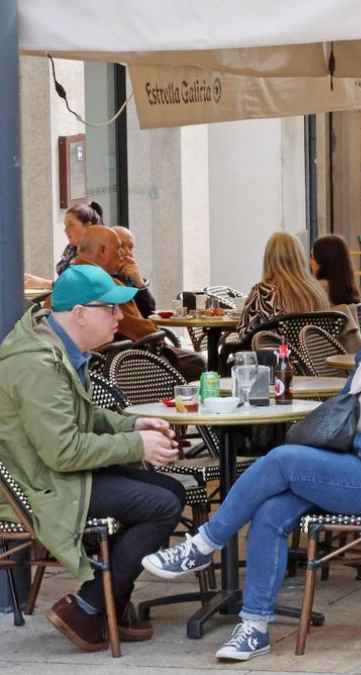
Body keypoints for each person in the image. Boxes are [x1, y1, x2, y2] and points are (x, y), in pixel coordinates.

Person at [142, 290, 361, 662]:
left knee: (283, 459)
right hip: (354, 470)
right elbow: (341, 419)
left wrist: (353, 440)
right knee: (271, 510)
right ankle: (254, 628)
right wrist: (344, 441)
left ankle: (204, 545)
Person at [0, 264, 184, 651]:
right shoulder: (36, 364)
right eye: (110, 309)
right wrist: (138, 446)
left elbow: (87, 417)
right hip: (44, 487)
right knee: (162, 504)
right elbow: (63, 451)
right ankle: (88, 607)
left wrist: (132, 426)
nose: (120, 317)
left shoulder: (58, 346)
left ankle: (104, 606)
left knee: (170, 490)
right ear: (79, 313)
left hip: (59, 474)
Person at [74, 227, 206, 379]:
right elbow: (139, 329)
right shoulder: (107, 285)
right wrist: (156, 332)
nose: (123, 254)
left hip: (80, 365)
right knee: (196, 363)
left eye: (129, 247)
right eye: (118, 248)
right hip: (118, 364)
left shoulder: (66, 279)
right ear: (103, 251)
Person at [233, 232, 331, 345]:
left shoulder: (263, 292)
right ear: (299, 258)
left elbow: (244, 334)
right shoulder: (316, 291)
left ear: (268, 259)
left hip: (277, 359)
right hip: (313, 360)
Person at [24, 201, 104, 289]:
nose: (66, 230)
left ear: (88, 226)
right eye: (65, 226)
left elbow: (80, 289)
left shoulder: (99, 253)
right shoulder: (71, 249)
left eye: (71, 225)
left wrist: (44, 283)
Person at [310, 234, 361, 352]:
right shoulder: (350, 292)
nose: (310, 262)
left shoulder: (316, 292)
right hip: (349, 361)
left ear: (322, 262)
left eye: (312, 257)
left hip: (324, 362)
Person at [112, 226, 156, 320]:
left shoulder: (129, 276)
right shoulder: (102, 277)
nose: (128, 252)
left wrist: (139, 283)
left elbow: (150, 314)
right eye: (121, 246)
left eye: (130, 247)